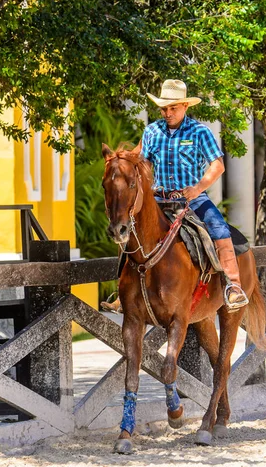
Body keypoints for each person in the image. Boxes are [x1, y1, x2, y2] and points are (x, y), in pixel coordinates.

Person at [101, 79, 248, 313]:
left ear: (185, 107)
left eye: (173, 108)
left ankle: (232, 286)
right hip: (159, 199)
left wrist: (198, 188)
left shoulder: (200, 132)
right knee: (127, 229)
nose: (168, 113)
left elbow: (217, 166)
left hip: (193, 198)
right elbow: (144, 164)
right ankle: (124, 289)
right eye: (164, 108)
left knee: (219, 228)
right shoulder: (151, 132)